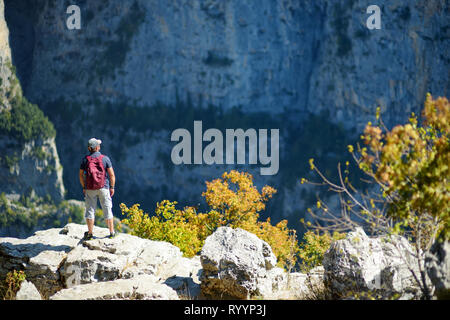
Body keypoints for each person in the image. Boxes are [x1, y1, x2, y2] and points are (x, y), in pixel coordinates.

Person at [79, 138, 116, 239]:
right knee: (107, 208)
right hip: (103, 187)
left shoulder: (85, 160)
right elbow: (112, 175)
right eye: (99, 145)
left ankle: (90, 233)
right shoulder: (105, 158)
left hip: (90, 188)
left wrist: (84, 187)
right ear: (97, 148)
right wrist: (112, 187)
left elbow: (81, 175)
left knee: (90, 210)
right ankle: (112, 232)